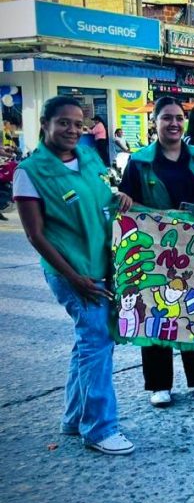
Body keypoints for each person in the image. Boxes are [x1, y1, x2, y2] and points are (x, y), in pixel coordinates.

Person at [14, 96, 135, 455]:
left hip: (101, 265)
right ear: (45, 124)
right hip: (73, 272)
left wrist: (119, 198)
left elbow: (102, 197)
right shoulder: (30, 172)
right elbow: (36, 235)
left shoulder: (88, 157)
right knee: (97, 341)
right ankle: (99, 429)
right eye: (63, 122)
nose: (71, 130)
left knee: (88, 341)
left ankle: (74, 417)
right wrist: (73, 278)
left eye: (78, 124)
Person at [120, 97, 194, 407]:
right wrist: (160, 218)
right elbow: (127, 200)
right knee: (154, 309)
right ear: (155, 122)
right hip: (155, 244)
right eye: (166, 118)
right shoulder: (139, 161)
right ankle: (159, 384)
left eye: (178, 117)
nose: (174, 123)